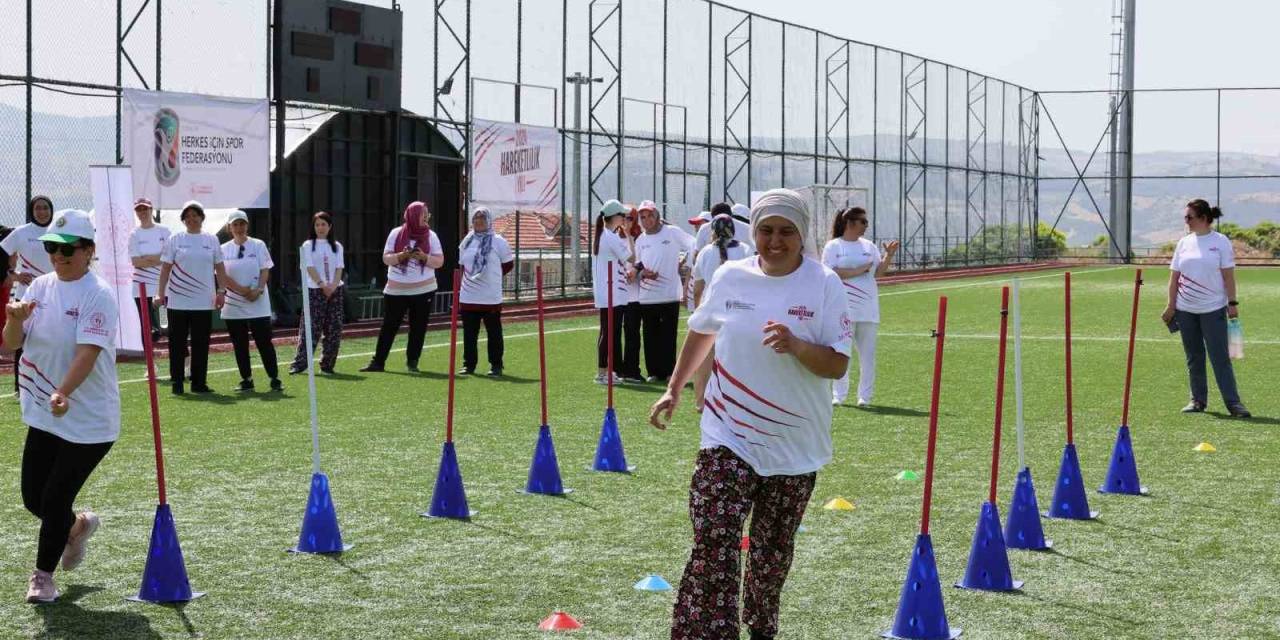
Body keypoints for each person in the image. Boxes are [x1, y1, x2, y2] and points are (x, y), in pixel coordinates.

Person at [649, 188, 852, 640]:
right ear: (753, 231)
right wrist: (674, 389)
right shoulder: (729, 276)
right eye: (766, 231)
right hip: (727, 435)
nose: (775, 241)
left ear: (802, 235)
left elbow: (837, 364)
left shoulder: (824, 283)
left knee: (770, 555)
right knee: (714, 539)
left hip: (795, 445)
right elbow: (702, 332)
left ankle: (761, 628)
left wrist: (797, 346)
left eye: (786, 232)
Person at [3, 209, 120, 604]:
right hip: (43, 412)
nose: (59, 255)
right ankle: (77, 526)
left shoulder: (98, 294)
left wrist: (64, 392)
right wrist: (15, 319)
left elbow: (87, 354)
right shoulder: (38, 286)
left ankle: (42, 577)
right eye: (53, 247)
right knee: (33, 499)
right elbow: (12, 344)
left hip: (87, 421)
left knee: (53, 499)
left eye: (68, 248)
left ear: (89, 251)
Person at [1160, 199, 1250, 418]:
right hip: (1185, 309)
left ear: (1202, 218)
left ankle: (1233, 403)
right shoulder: (1184, 243)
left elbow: (1228, 275)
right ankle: (1198, 400)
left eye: (1189, 217)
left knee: (1220, 357)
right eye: (1186, 217)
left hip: (1213, 308)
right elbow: (1174, 277)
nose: (1186, 221)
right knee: (1194, 356)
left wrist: (1232, 302)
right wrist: (1171, 306)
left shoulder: (1220, 242)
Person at [821, 207, 899, 407]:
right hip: (842, 310)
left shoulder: (869, 246)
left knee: (868, 357)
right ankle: (839, 396)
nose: (866, 225)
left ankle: (864, 397)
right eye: (863, 221)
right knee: (841, 354)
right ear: (850, 223)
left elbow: (877, 273)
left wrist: (888, 256)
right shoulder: (833, 246)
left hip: (868, 310)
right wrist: (860, 269)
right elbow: (831, 273)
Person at [361, 201, 444, 373]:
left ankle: (412, 362)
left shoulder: (431, 236)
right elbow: (386, 258)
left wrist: (423, 257)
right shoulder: (396, 233)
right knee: (389, 325)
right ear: (413, 215)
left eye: (427, 214)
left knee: (418, 327)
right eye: (423, 214)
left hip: (424, 289)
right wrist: (402, 255)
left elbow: (439, 261)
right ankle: (378, 362)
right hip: (396, 290)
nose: (426, 217)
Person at [156, 200, 228, 395]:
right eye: (187, 216)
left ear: (202, 217)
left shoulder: (211, 240)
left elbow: (220, 268)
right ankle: (177, 382)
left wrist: (222, 292)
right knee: (177, 343)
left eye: (195, 215)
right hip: (178, 301)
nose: (191, 219)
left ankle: (199, 383)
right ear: (183, 220)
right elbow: (165, 269)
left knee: (201, 343)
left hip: (204, 302)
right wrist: (160, 293)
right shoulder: (175, 239)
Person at [689, 213, 755, 411]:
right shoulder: (746, 250)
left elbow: (698, 287)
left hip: (711, 308)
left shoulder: (704, 252)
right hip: (739, 309)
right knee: (737, 357)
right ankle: (736, 400)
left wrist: (699, 308)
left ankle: (701, 401)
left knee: (704, 358)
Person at [633, 200, 695, 383]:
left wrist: (685, 263)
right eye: (642, 217)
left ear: (657, 216)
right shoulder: (640, 240)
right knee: (650, 336)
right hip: (646, 296)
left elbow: (693, 244)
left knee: (668, 335)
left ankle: (669, 372)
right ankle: (653, 372)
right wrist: (643, 273)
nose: (646, 220)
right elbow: (637, 264)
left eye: (649, 216)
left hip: (669, 295)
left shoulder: (672, 232)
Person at [220, 211, 281, 392]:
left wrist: (258, 290)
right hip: (234, 304)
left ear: (247, 225)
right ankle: (246, 379)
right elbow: (222, 275)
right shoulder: (223, 249)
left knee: (264, 342)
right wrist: (242, 290)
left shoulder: (258, 245)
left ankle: (274, 378)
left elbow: (265, 269)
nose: (239, 228)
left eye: (242, 224)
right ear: (229, 228)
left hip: (258, 301)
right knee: (239, 344)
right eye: (235, 225)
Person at [3, 196, 56, 393]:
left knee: (53, 338)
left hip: (55, 295)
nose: (42, 212)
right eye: (38, 208)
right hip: (27, 296)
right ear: (31, 211)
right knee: (22, 340)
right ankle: (20, 387)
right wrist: (14, 275)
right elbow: (2, 254)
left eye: (45, 208)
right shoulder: (21, 232)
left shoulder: (58, 231)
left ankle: (52, 383)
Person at [458, 206, 514, 376]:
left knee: (494, 333)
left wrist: (492, 277)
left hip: (490, 296)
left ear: (489, 221)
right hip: (469, 295)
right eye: (476, 218)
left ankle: (496, 365)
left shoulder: (499, 241)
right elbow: (462, 266)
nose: (479, 221)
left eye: (482, 218)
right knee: (469, 334)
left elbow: (508, 265)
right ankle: (469, 365)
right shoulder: (467, 241)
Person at [291, 211, 346, 375]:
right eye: (317, 224)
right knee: (310, 328)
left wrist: (333, 286)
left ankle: (328, 364)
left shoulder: (337, 246)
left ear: (330, 226)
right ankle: (300, 364)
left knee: (334, 328)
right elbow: (309, 267)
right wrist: (323, 285)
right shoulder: (308, 245)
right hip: (314, 291)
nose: (320, 228)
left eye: (323, 224)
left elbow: (339, 269)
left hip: (335, 291)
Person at [592, 199, 634, 384]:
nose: (624, 218)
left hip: (609, 291)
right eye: (622, 215)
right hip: (611, 292)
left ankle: (605, 371)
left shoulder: (605, 235)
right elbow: (631, 256)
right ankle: (602, 373)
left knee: (608, 332)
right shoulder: (610, 236)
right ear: (614, 217)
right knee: (609, 332)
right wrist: (630, 237)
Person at [128, 197, 170, 342]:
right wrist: (158, 258)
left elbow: (169, 257)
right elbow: (135, 261)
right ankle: (150, 362)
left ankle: (183, 359)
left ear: (151, 210)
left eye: (145, 208)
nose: (142, 212)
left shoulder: (164, 231)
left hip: (163, 284)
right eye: (139, 209)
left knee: (167, 325)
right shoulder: (134, 234)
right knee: (148, 329)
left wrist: (147, 259)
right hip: (141, 285)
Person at [618, 207, 646, 383]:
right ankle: (617, 370)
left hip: (634, 295)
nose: (625, 221)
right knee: (615, 334)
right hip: (618, 294)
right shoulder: (613, 238)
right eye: (623, 217)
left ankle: (632, 370)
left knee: (632, 334)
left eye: (629, 218)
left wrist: (635, 272)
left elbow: (639, 261)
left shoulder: (640, 239)